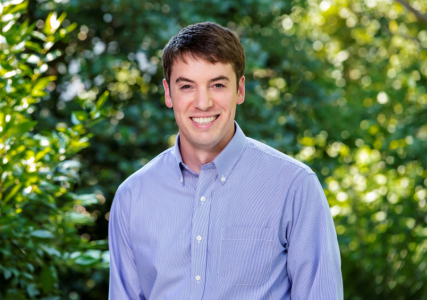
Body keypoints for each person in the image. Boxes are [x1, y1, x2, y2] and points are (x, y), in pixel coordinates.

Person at [108, 22, 343, 300]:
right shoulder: (132, 198)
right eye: (187, 86)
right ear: (168, 93)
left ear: (240, 90)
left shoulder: (294, 186)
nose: (203, 102)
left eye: (217, 84)